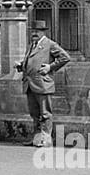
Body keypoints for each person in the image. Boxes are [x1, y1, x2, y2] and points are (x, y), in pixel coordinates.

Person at [17, 19, 71, 147]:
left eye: (38, 31)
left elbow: (65, 57)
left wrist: (50, 67)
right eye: (33, 31)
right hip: (29, 84)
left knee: (45, 113)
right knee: (34, 114)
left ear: (43, 32)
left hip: (42, 84)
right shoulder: (31, 45)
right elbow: (30, 62)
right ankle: (36, 138)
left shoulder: (50, 44)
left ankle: (46, 139)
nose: (34, 33)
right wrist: (21, 66)